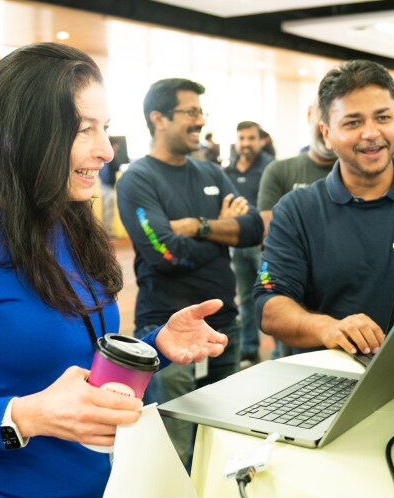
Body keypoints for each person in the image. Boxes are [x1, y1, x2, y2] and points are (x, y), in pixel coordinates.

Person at [0, 43, 229, 498]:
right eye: (85, 130)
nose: (105, 150)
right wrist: (24, 416)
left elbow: (78, 367)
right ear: (26, 134)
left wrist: (155, 346)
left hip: (110, 494)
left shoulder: (70, 221)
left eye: (106, 128)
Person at [116, 78, 264, 466]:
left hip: (222, 330)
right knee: (174, 452)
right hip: (169, 338)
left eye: (201, 111)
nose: (200, 120)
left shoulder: (210, 173)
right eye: (191, 112)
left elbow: (251, 229)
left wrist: (198, 226)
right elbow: (164, 252)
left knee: (222, 447)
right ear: (158, 118)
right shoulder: (138, 178)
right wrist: (221, 231)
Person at [253, 60, 394, 357]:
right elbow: (270, 306)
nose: (371, 132)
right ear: (326, 133)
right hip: (324, 381)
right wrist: (327, 328)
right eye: (353, 122)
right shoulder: (297, 210)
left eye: (383, 117)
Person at [257, 100, 337, 359]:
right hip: (295, 306)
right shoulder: (282, 171)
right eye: (321, 114)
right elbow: (270, 232)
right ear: (311, 115)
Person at [224, 121, 273, 367]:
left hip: (265, 246)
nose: (246, 143)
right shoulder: (229, 170)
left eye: (250, 138)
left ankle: (279, 353)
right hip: (238, 245)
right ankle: (250, 349)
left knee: (273, 296)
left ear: (260, 139)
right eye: (241, 138)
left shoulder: (270, 169)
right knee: (244, 297)